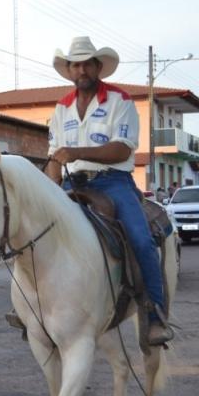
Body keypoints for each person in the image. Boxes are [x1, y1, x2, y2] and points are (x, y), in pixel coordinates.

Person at [45, 36, 172, 346]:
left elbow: (121, 150)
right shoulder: (61, 108)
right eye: (76, 65)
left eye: (87, 64)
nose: (82, 70)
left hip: (113, 182)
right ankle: (31, 310)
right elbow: (54, 157)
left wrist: (76, 153)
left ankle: (155, 315)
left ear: (98, 67)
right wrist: (51, 186)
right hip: (72, 183)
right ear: (69, 70)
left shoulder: (120, 100)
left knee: (141, 240)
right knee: (36, 233)